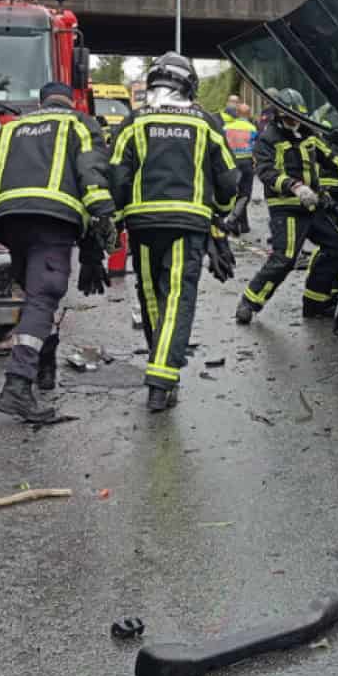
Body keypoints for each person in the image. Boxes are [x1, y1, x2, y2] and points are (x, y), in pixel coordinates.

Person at [0, 82, 116, 424]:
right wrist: (103, 216)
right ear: (71, 101)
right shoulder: (80, 123)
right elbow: (91, 172)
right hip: (52, 219)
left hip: (6, 221)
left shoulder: (12, 128)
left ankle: (44, 365)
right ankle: (18, 385)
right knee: (43, 296)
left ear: (41, 102)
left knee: (34, 297)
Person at [109, 53, 239, 411]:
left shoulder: (134, 121)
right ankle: (161, 380)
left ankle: (158, 366)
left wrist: (116, 218)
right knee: (178, 298)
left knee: (152, 296)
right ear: (188, 85)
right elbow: (229, 180)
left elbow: (117, 172)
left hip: (142, 225)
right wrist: (220, 220)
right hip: (188, 223)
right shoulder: (206, 123)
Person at [236, 88, 338, 326]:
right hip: (287, 206)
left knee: (337, 246)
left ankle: (315, 303)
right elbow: (266, 172)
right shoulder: (267, 139)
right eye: (290, 118)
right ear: (280, 114)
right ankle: (249, 302)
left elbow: (329, 156)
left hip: (314, 205)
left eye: (297, 118)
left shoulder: (308, 134)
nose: (294, 122)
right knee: (286, 257)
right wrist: (295, 187)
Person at [223, 102, 259, 234]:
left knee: (235, 193)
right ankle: (232, 221)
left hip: (231, 162)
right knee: (245, 194)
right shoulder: (252, 128)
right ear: (249, 114)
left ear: (237, 114)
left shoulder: (226, 127)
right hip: (246, 163)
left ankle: (243, 225)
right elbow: (256, 147)